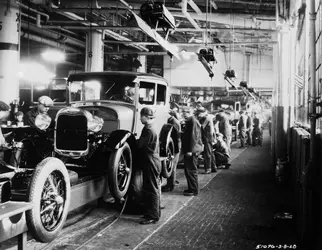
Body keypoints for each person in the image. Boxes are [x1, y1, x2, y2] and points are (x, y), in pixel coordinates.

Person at [137, 107, 162, 225]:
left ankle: (153, 216)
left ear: (146, 116)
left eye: (141, 116)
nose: (140, 118)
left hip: (151, 161)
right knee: (149, 188)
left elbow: (140, 145)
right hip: (151, 160)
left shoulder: (148, 130)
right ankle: (150, 213)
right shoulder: (151, 127)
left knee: (152, 189)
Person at [181, 107, 203, 196]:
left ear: (189, 112)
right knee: (189, 170)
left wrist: (190, 150)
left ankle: (194, 190)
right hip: (191, 149)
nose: (183, 114)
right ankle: (191, 188)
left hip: (192, 150)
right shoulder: (190, 121)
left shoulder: (192, 121)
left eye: (184, 112)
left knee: (191, 170)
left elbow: (193, 137)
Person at [162, 108, 181, 192]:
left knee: (172, 166)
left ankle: (170, 185)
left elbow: (176, 137)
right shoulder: (174, 121)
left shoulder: (174, 122)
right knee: (172, 166)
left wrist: (174, 150)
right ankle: (171, 183)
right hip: (175, 145)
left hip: (175, 145)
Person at [196, 107, 216, 174]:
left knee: (207, 153)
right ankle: (213, 167)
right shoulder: (209, 117)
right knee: (211, 152)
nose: (198, 115)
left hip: (207, 137)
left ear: (203, 113)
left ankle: (208, 169)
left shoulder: (206, 118)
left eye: (199, 113)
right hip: (209, 137)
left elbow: (200, 127)